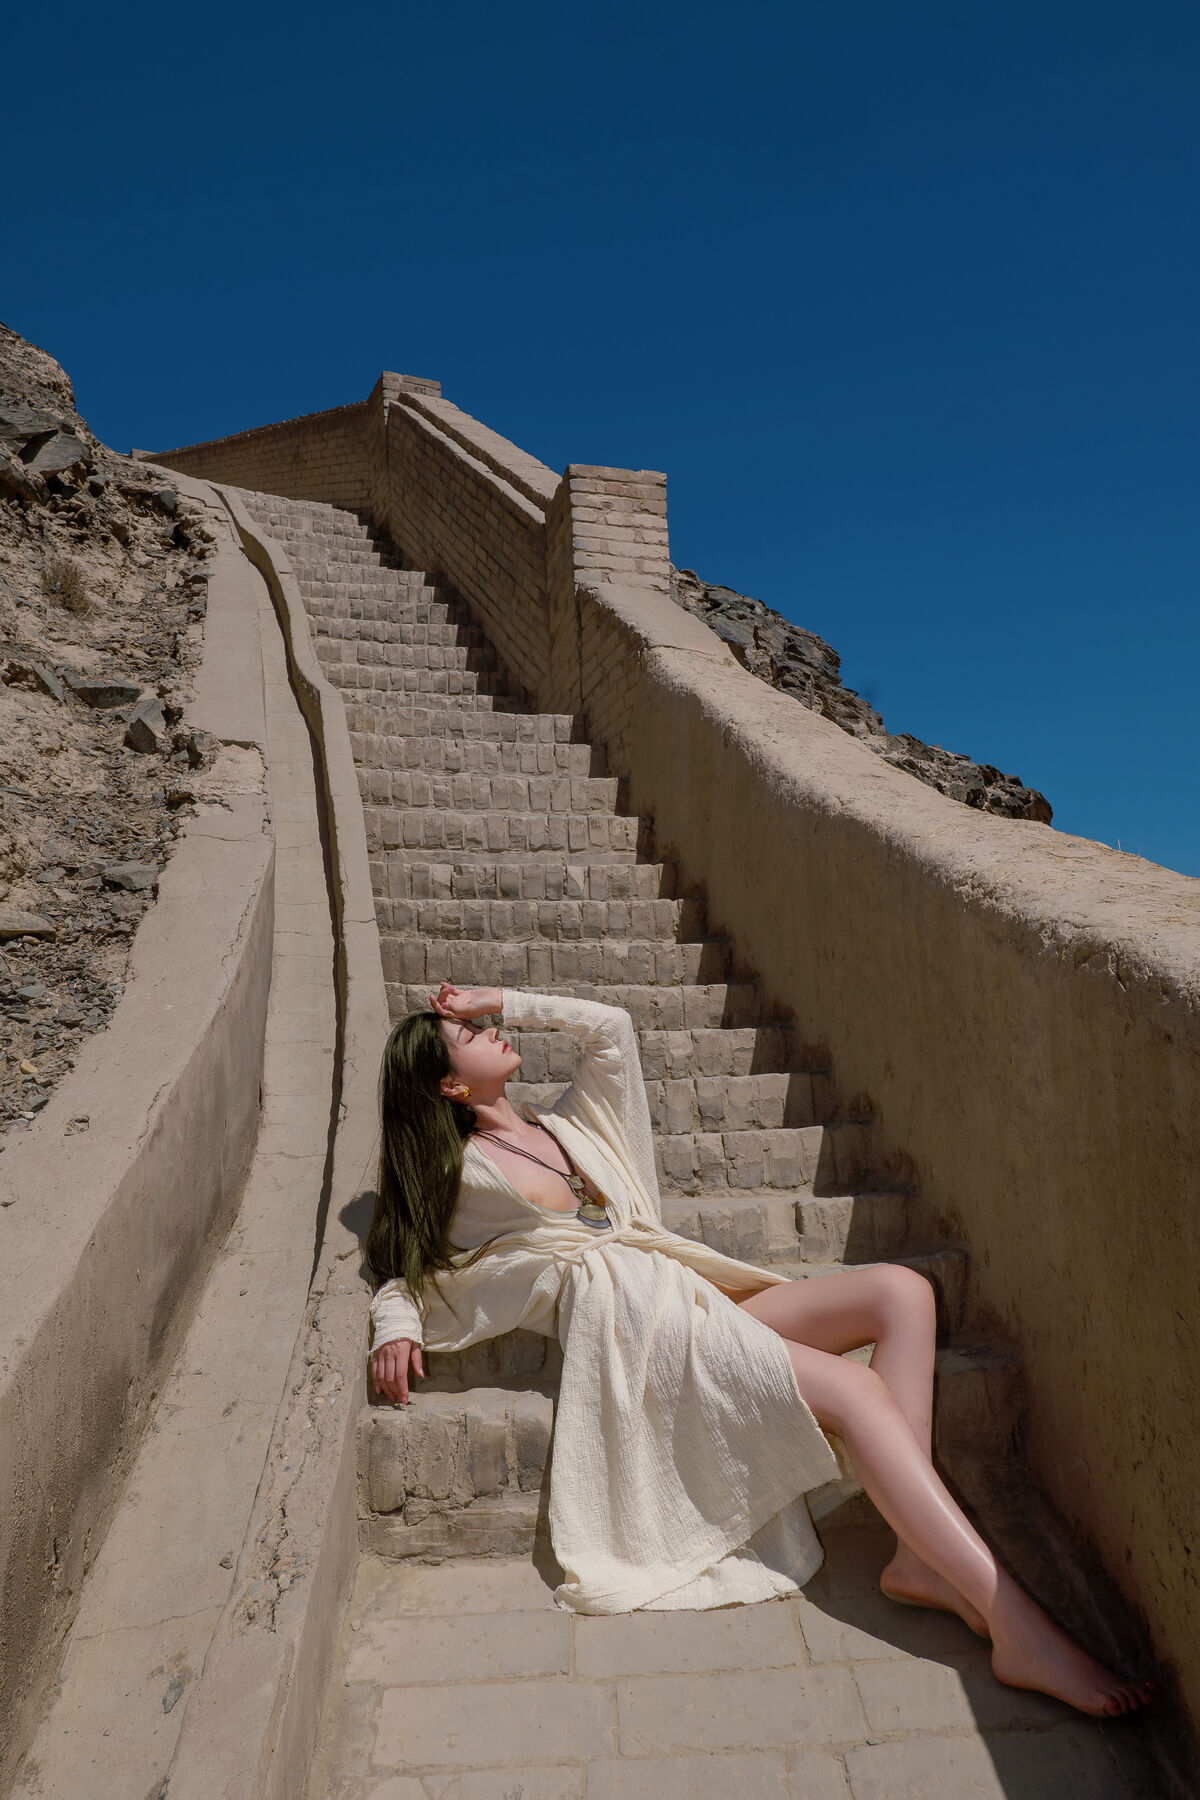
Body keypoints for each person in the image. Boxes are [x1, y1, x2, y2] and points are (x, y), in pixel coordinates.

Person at [367, 982, 1152, 1718]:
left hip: (694, 1298)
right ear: (450, 1086)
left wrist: (504, 999)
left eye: (483, 1021)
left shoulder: (566, 1124)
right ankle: (1015, 1623)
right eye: (471, 1033)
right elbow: (409, 1267)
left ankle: (918, 1557)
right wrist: (394, 1321)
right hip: (649, 1335)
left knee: (903, 1293)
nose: (490, 1028)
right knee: (857, 1392)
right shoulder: (465, 1175)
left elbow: (612, 1029)